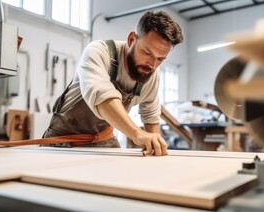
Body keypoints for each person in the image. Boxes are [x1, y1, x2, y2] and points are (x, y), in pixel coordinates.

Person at [42, 11, 184, 156]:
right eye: (147, 53)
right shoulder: (98, 52)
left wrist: (154, 145)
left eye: (161, 59)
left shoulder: (151, 72)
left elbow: (151, 115)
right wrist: (137, 133)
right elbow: (103, 98)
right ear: (131, 40)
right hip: (62, 142)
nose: (152, 65)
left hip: (104, 140)